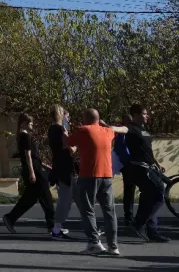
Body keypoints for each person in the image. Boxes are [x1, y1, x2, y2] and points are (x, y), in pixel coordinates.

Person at [68, 108, 127, 256]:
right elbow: (126, 129)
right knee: (109, 211)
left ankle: (94, 243)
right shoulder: (108, 131)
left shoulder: (83, 130)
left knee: (88, 209)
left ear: (86, 119)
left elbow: (68, 143)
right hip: (106, 175)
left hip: (89, 175)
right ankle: (113, 246)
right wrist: (108, 125)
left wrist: (64, 130)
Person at [3, 113, 55, 234]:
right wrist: (32, 172)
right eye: (30, 123)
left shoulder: (24, 136)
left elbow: (36, 158)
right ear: (24, 124)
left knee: (30, 199)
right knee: (46, 197)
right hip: (35, 172)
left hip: (35, 169)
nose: (32, 125)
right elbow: (28, 156)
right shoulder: (25, 136)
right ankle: (52, 226)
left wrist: (47, 167)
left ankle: (10, 218)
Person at [124, 104, 169, 242]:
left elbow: (147, 151)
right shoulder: (131, 128)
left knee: (148, 197)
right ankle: (139, 223)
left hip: (150, 167)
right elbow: (121, 129)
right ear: (135, 115)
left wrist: (157, 163)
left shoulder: (144, 130)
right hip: (140, 169)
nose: (147, 116)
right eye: (144, 113)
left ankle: (152, 231)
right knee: (159, 195)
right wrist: (108, 127)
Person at [47, 105, 76, 240]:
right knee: (65, 199)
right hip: (65, 167)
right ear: (62, 115)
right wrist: (78, 143)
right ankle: (56, 229)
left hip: (60, 165)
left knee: (78, 198)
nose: (68, 119)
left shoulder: (52, 129)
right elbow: (70, 148)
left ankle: (91, 226)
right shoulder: (60, 129)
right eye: (67, 117)